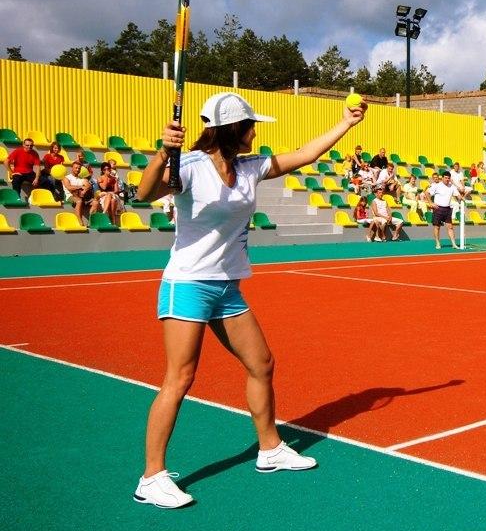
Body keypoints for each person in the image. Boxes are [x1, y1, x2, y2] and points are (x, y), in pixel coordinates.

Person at [132, 90, 365, 509]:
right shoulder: (188, 165)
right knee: (180, 378)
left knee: (262, 363)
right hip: (189, 283)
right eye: (251, 126)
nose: (256, 132)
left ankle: (270, 449)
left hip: (228, 286)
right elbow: (144, 193)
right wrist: (162, 152)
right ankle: (151, 477)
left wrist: (346, 124)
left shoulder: (249, 168)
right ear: (233, 129)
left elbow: (305, 155)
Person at [427, 170, 462, 250]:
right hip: (438, 209)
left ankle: (453, 244)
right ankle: (438, 243)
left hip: (447, 209)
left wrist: (462, 199)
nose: (447, 179)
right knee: (437, 227)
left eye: (448, 178)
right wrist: (431, 203)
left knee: (450, 227)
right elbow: (427, 193)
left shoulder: (452, 187)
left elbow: (458, 196)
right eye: (445, 178)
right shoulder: (437, 186)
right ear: (442, 178)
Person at [62, 160, 96, 226]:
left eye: (79, 168)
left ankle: (90, 222)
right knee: (79, 201)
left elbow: (88, 185)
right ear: (72, 168)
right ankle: (80, 221)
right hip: (70, 196)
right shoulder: (66, 178)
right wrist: (80, 186)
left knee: (95, 203)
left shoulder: (82, 178)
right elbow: (69, 187)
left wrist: (84, 191)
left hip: (82, 196)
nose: (77, 169)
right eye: (76, 168)